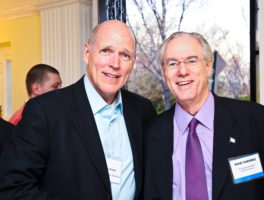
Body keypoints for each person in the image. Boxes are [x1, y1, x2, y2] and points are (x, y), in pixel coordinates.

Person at [0, 20, 156, 200]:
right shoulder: (45, 111)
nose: (115, 63)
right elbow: (12, 188)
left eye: (125, 55)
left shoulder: (143, 111)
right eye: (106, 51)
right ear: (87, 53)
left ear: (133, 63)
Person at [143, 32, 264, 200]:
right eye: (172, 63)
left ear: (209, 66)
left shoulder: (259, 122)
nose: (182, 71)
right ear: (164, 71)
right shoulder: (150, 134)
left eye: (192, 61)